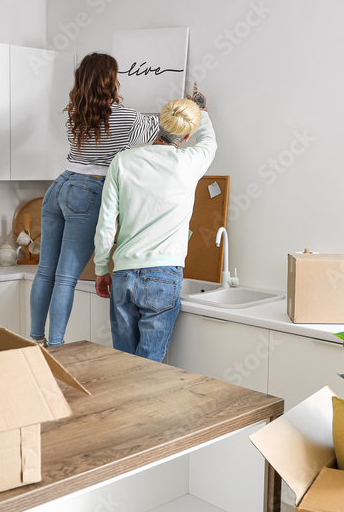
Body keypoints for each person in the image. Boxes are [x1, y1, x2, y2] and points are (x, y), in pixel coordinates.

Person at [30, 53, 159, 347]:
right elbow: (165, 128)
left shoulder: (76, 113)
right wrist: (196, 107)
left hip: (58, 186)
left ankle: (36, 339)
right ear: (111, 80)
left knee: (45, 272)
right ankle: (57, 347)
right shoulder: (127, 117)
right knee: (65, 279)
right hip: (88, 191)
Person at [93, 85, 216, 361]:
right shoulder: (190, 162)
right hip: (162, 277)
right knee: (149, 370)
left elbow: (106, 223)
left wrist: (101, 268)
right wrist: (202, 110)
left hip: (123, 275)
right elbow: (209, 142)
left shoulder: (122, 161)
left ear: (159, 124)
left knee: (125, 364)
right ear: (186, 135)